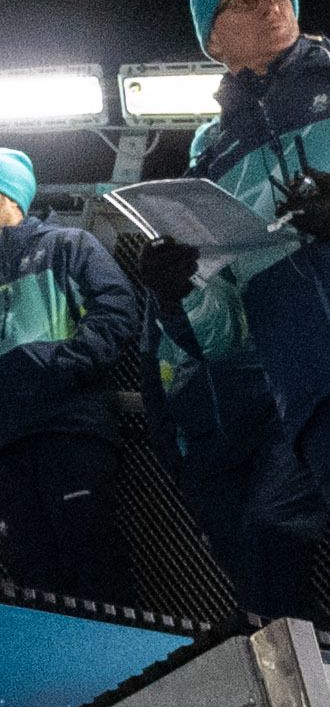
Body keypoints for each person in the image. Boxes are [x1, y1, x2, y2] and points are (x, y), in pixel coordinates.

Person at [0, 148, 141, 605]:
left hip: (66, 433)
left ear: (11, 198)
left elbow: (117, 309)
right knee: (34, 583)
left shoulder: (67, 246)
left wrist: (60, 368)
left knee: (95, 570)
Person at [153, 0, 330, 504]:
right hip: (313, 397)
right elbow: (224, 332)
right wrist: (177, 292)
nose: (271, 5)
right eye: (245, 0)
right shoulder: (209, 158)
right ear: (212, 40)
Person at [134, 260, 326, 623]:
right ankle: (280, 662)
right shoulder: (164, 266)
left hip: (273, 420)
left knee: (271, 538)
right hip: (203, 443)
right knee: (245, 572)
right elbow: (152, 360)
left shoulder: (251, 242)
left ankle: (306, 659)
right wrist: (172, 451)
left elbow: (226, 337)